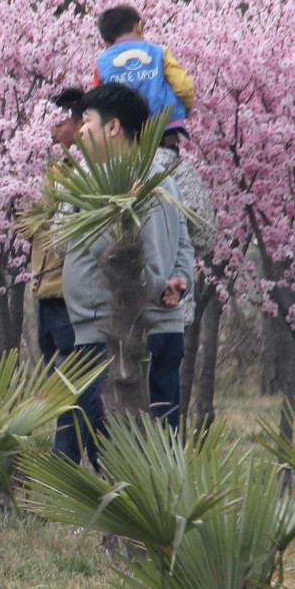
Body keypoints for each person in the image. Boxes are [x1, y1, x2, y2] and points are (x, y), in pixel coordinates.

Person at [58, 83, 194, 463]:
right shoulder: (162, 176)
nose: (80, 130)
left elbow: (114, 256)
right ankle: (158, 517)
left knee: (111, 448)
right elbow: (184, 242)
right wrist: (179, 283)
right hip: (165, 323)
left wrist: (163, 286)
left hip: (110, 333)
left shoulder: (98, 183)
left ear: (114, 127)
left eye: (87, 121)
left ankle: (124, 520)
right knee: (161, 441)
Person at [25, 88, 86, 365]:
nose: (52, 129)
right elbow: (26, 225)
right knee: (52, 368)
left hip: (66, 290)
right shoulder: (54, 169)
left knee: (69, 369)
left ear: (80, 123)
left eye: (59, 122)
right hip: (44, 286)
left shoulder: (86, 171)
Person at [91, 4, 197, 145]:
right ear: (139, 27)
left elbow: (96, 102)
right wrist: (185, 107)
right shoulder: (160, 52)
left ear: (106, 43)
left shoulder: (100, 63)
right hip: (163, 128)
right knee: (166, 164)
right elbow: (184, 86)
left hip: (125, 133)